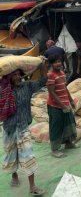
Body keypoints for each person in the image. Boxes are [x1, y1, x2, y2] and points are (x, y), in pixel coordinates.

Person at [1, 61, 48, 196]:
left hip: (22, 127)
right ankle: (14, 175)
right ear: (8, 77)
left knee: (28, 155)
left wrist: (41, 64)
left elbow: (43, 80)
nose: (16, 77)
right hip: (9, 127)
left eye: (18, 74)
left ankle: (32, 186)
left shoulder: (27, 87)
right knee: (10, 153)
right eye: (13, 75)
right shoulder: (3, 89)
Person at [46, 54, 77, 158]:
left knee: (69, 123)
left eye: (59, 61)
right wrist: (62, 105)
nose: (58, 64)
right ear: (51, 64)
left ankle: (68, 143)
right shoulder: (50, 75)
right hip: (55, 106)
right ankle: (54, 149)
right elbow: (52, 93)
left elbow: (65, 88)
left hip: (65, 104)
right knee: (56, 127)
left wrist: (71, 101)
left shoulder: (62, 73)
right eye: (55, 62)